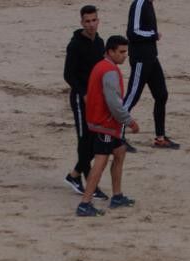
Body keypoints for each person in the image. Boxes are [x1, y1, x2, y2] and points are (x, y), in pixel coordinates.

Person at [78, 36, 140, 216]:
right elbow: (114, 103)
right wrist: (130, 121)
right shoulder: (110, 71)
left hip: (101, 122)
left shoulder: (100, 66)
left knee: (120, 152)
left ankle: (117, 196)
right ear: (110, 51)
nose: (124, 56)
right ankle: (85, 203)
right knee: (101, 161)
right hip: (104, 124)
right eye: (121, 52)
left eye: (125, 52)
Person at [123, 0, 179, 149]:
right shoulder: (139, 3)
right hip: (141, 58)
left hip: (151, 57)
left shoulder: (147, 3)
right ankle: (117, 137)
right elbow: (132, 32)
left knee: (161, 95)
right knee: (131, 97)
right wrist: (153, 35)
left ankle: (160, 138)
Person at [64, 5, 107, 197]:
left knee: (92, 141)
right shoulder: (75, 45)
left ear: (98, 21)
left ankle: (75, 175)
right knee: (84, 140)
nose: (91, 24)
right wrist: (83, 93)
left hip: (97, 99)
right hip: (81, 100)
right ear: (81, 22)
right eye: (87, 21)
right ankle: (90, 183)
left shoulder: (100, 43)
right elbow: (68, 74)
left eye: (94, 20)